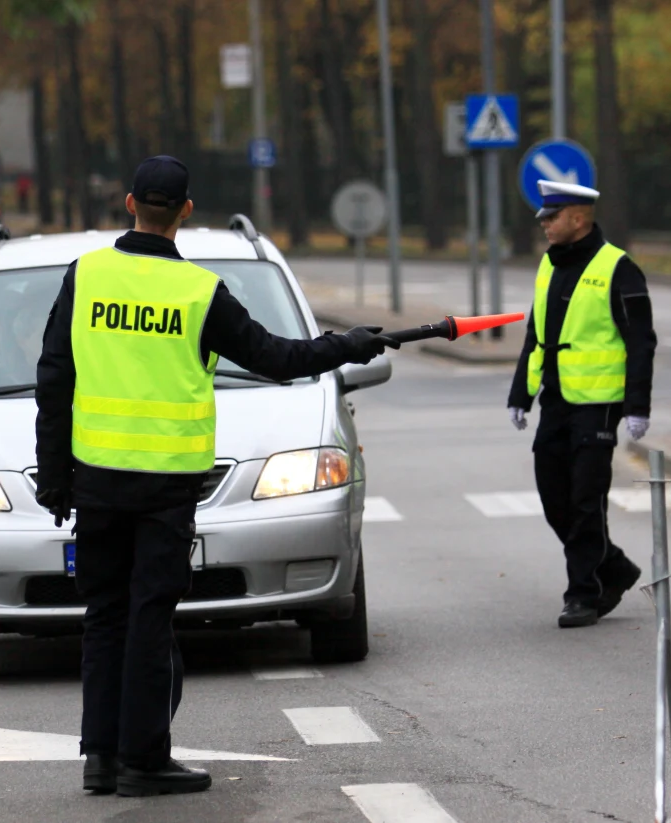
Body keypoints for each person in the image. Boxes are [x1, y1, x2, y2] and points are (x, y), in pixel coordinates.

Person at [33, 155, 399, 797]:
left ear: (128, 204)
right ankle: (144, 760)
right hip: (167, 485)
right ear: (185, 211)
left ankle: (100, 758)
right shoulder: (199, 292)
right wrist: (348, 344)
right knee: (149, 616)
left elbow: (53, 377)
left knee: (105, 615)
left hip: (96, 479)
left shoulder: (85, 276)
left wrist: (54, 474)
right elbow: (276, 358)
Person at [506, 180, 657, 629]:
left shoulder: (618, 268)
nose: (546, 226)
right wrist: (521, 394)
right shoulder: (549, 265)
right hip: (557, 401)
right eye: (544, 219)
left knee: (586, 500)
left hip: (600, 404)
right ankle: (615, 567)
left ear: (578, 217)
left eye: (552, 218)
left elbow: (641, 341)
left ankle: (582, 594)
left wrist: (637, 405)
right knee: (555, 500)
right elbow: (537, 337)